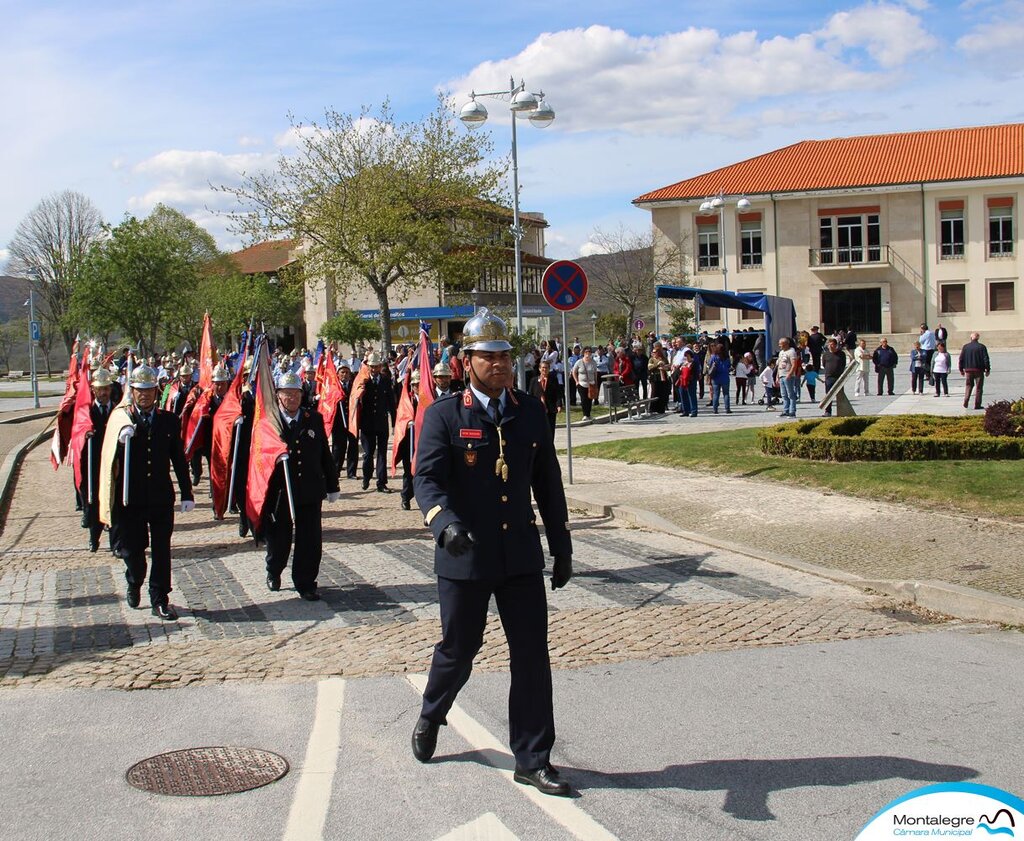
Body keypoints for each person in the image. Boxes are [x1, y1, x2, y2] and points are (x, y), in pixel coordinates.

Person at [410, 308, 574, 797]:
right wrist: (445, 526)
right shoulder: (444, 414)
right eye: (489, 357)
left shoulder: (528, 411)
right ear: (467, 361)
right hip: (465, 556)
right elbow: (428, 481)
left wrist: (560, 544)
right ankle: (432, 713)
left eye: (504, 356)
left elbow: (547, 483)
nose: (500, 365)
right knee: (460, 650)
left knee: (531, 657)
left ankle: (533, 757)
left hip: (519, 555)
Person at [109, 366, 194, 620]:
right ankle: (134, 580)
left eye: (148, 391)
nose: (144, 396)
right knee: (134, 550)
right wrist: (119, 440)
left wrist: (187, 492)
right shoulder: (120, 419)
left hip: (159, 496)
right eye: (139, 391)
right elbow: (107, 462)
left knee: (161, 549)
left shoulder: (168, 420)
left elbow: (178, 458)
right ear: (131, 392)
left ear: (156, 392)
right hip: (130, 498)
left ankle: (160, 598)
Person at [263, 372, 340, 600]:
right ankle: (274, 570)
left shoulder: (313, 418)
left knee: (310, 539)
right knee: (279, 538)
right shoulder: (270, 421)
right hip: (280, 492)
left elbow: (324, 453)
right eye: (287, 393)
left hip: (309, 488)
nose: (292, 398)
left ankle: (306, 582)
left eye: (296, 393)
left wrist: (332, 483)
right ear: (278, 395)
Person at [79, 368, 115, 552]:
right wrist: (85, 435)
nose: (103, 393)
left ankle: (115, 543)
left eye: (106, 389)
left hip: (112, 462)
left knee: (113, 502)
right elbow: (76, 434)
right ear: (93, 390)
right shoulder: (86, 412)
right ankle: (94, 538)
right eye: (100, 389)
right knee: (94, 502)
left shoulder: (117, 410)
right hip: (92, 464)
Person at [358, 352, 396, 492]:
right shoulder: (363, 380)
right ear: (368, 367)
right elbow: (355, 399)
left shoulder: (385, 380)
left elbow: (391, 401)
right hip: (367, 422)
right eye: (371, 367)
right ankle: (366, 477)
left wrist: (394, 421)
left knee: (382, 453)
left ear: (380, 367)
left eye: (376, 366)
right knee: (368, 453)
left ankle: (381, 482)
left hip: (381, 422)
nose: (374, 369)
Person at [333, 363, 359, 480]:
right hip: (338, 422)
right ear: (338, 374)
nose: (345, 375)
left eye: (347, 372)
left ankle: (351, 472)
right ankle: (335, 470)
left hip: (352, 420)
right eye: (342, 372)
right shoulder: (334, 387)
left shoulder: (354, 386)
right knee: (338, 447)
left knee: (353, 446)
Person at [529, 359, 562, 440]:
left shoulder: (553, 379)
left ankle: (550, 448)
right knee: (539, 430)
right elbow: (530, 395)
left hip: (550, 409)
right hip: (538, 409)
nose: (544, 369)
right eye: (543, 368)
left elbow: (558, 393)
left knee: (550, 430)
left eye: (546, 368)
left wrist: (558, 405)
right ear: (540, 369)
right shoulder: (534, 380)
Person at [958, 332, 991, 410]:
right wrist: (988, 369)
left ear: (971, 338)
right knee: (979, 388)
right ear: (978, 338)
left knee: (968, 386)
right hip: (979, 370)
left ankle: (966, 400)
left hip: (968, 370)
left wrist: (961, 369)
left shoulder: (965, 347)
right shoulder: (982, 347)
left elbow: (961, 359)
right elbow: (986, 359)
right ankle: (977, 404)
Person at [571, 347, 598, 421]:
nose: (588, 353)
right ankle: (585, 414)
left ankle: (589, 414)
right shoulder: (579, 362)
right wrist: (576, 381)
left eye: (589, 351)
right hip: (582, 384)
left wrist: (596, 382)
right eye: (586, 352)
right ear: (583, 353)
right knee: (584, 399)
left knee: (590, 399)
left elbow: (595, 373)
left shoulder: (593, 362)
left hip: (591, 383)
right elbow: (574, 371)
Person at [820, 338, 846, 416]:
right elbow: (824, 364)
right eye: (829, 344)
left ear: (835, 345)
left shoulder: (841, 354)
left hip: (839, 377)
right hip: (829, 377)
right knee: (828, 395)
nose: (830, 346)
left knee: (840, 395)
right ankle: (828, 411)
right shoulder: (825, 354)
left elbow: (843, 364)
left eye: (832, 344)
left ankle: (842, 411)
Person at [776, 338, 800, 417]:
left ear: (786, 344)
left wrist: (790, 374)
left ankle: (792, 411)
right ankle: (786, 410)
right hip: (781, 374)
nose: (779, 345)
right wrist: (777, 376)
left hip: (788, 375)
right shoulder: (781, 352)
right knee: (784, 394)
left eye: (781, 344)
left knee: (791, 394)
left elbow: (794, 364)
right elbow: (779, 365)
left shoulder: (792, 352)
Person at [707, 344, 731, 414]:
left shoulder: (714, 357)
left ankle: (715, 409)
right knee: (726, 394)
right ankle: (727, 408)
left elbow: (709, 365)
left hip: (716, 377)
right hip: (725, 377)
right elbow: (729, 365)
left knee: (716, 394)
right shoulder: (726, 357)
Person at [678, 348, 699, 417]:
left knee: (692, 395)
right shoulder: (684, 363)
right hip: (683, 381)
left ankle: (694, 411)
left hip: (691, 381)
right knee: (683, 395)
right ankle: (685, 411)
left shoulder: (694, 363)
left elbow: (696, 372)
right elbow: (679, 371)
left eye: (687, 356)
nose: (686, 357)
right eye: (685, 356)